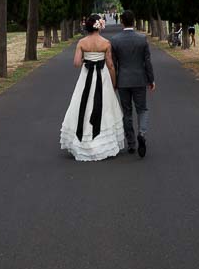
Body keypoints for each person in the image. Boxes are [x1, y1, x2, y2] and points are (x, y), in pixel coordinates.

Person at [60, 13, 125, 161]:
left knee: (83, 104)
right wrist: (114, 82)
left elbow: (76, 63)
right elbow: (110, 65)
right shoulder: (106, 43)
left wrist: (85, 59)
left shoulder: (82, 42)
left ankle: (83, 141)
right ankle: (102, 142)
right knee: (103, 107)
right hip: (102, 77)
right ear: (100, 26)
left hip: (86, 76)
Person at [110, 9, 155, 158]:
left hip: (123, 80)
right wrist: (151, 79)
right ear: (134, 21)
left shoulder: (115, 40)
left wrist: (114, 82)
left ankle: (131, 143)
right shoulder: (142, 39)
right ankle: (142, 133)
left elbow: (113, 65)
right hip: (139, 79)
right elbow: (147, 62)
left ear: (122, 21)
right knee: (142, 109)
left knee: (127, 112)